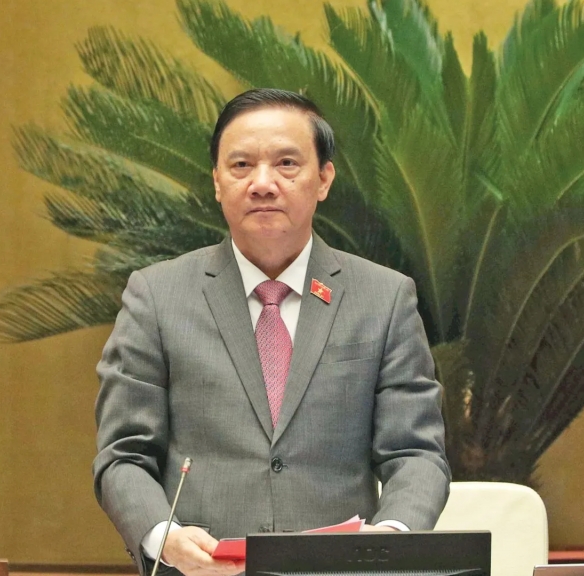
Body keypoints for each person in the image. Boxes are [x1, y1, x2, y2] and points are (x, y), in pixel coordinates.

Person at [92, 88, 450, 576]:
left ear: (324, 179)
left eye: (286, 164)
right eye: (241, 166)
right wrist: (164, 537)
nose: (263, 184)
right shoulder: (156, 296)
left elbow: (416, 452)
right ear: (217, 182)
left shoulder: (384, 298)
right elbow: (124, 455)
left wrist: (391, 539)